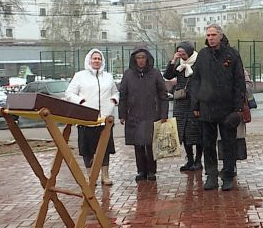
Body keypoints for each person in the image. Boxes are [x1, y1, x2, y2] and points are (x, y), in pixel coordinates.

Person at [190, 24, 246, 191]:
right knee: (208, 144)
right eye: (208, 35)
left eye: (213, 35)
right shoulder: (203, 55)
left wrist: (238, 108)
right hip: (206, 107)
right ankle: (211, 176)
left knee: (229, 144)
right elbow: (195, 80)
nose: (210, 38)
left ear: (220, 36)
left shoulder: (232, 54)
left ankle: (228, 176)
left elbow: (239, 81)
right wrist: (195, 103)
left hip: (227, 108)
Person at [64, 49, 119, 185]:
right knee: (87, 149)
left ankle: (105, 175)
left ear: (102, 61)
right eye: (94, 58)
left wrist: (113, 101)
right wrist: (81, 101)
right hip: (86, 119)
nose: (97, 61)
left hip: (105, 119)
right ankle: (91, 176)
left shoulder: (108, 77)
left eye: (99, 59)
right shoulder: (80, 76)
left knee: (105, 149)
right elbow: (69, 93)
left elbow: (115, 92)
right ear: (89, 60)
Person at [118, 48, 169, 182]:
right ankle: (141, 170)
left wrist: (163, 114)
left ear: (147, 59)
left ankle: (151, 170)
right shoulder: (128, 74)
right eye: (138, 58)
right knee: (138, 144)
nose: (141, 60)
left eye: (143, 57)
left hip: (152, 113)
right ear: (134, 59)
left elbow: (163, 95)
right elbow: (123, 95)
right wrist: (122, 114)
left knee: (151, 143)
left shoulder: (155, 73)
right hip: (134, 113)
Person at [163, 41, 203, 172]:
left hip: (195, 101)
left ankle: (198, 160)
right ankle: (190, 160)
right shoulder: (179, 64)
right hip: (180, 103)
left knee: (197, 132)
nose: (181, 54)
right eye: (179, 51)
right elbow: (167, 75)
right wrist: (173, 60)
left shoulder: (198, 62)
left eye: (183, 52)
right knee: (184, 133)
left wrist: (198, 101)